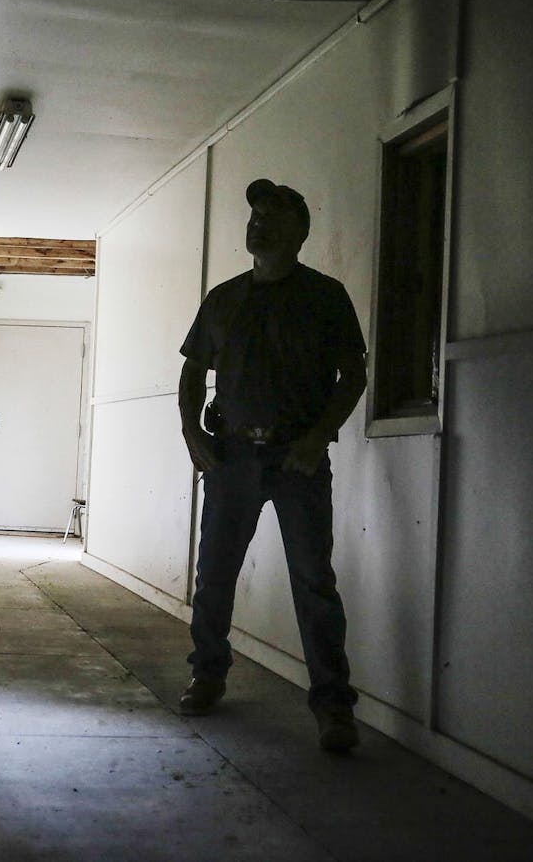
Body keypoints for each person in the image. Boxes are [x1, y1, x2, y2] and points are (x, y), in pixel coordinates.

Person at [177, 178, 368, 752]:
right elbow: (192, 371)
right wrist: (193, 435)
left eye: (271, 219)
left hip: (297, 462)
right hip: (232, 456)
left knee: (314, 583)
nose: (256, 225)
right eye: (254, 216)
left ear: (298, 235)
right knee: (214, 575)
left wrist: (316, 439)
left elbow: (353, 375)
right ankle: (207, 675)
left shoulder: (325, 296)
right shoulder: (224, 298)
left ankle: (334, 708)